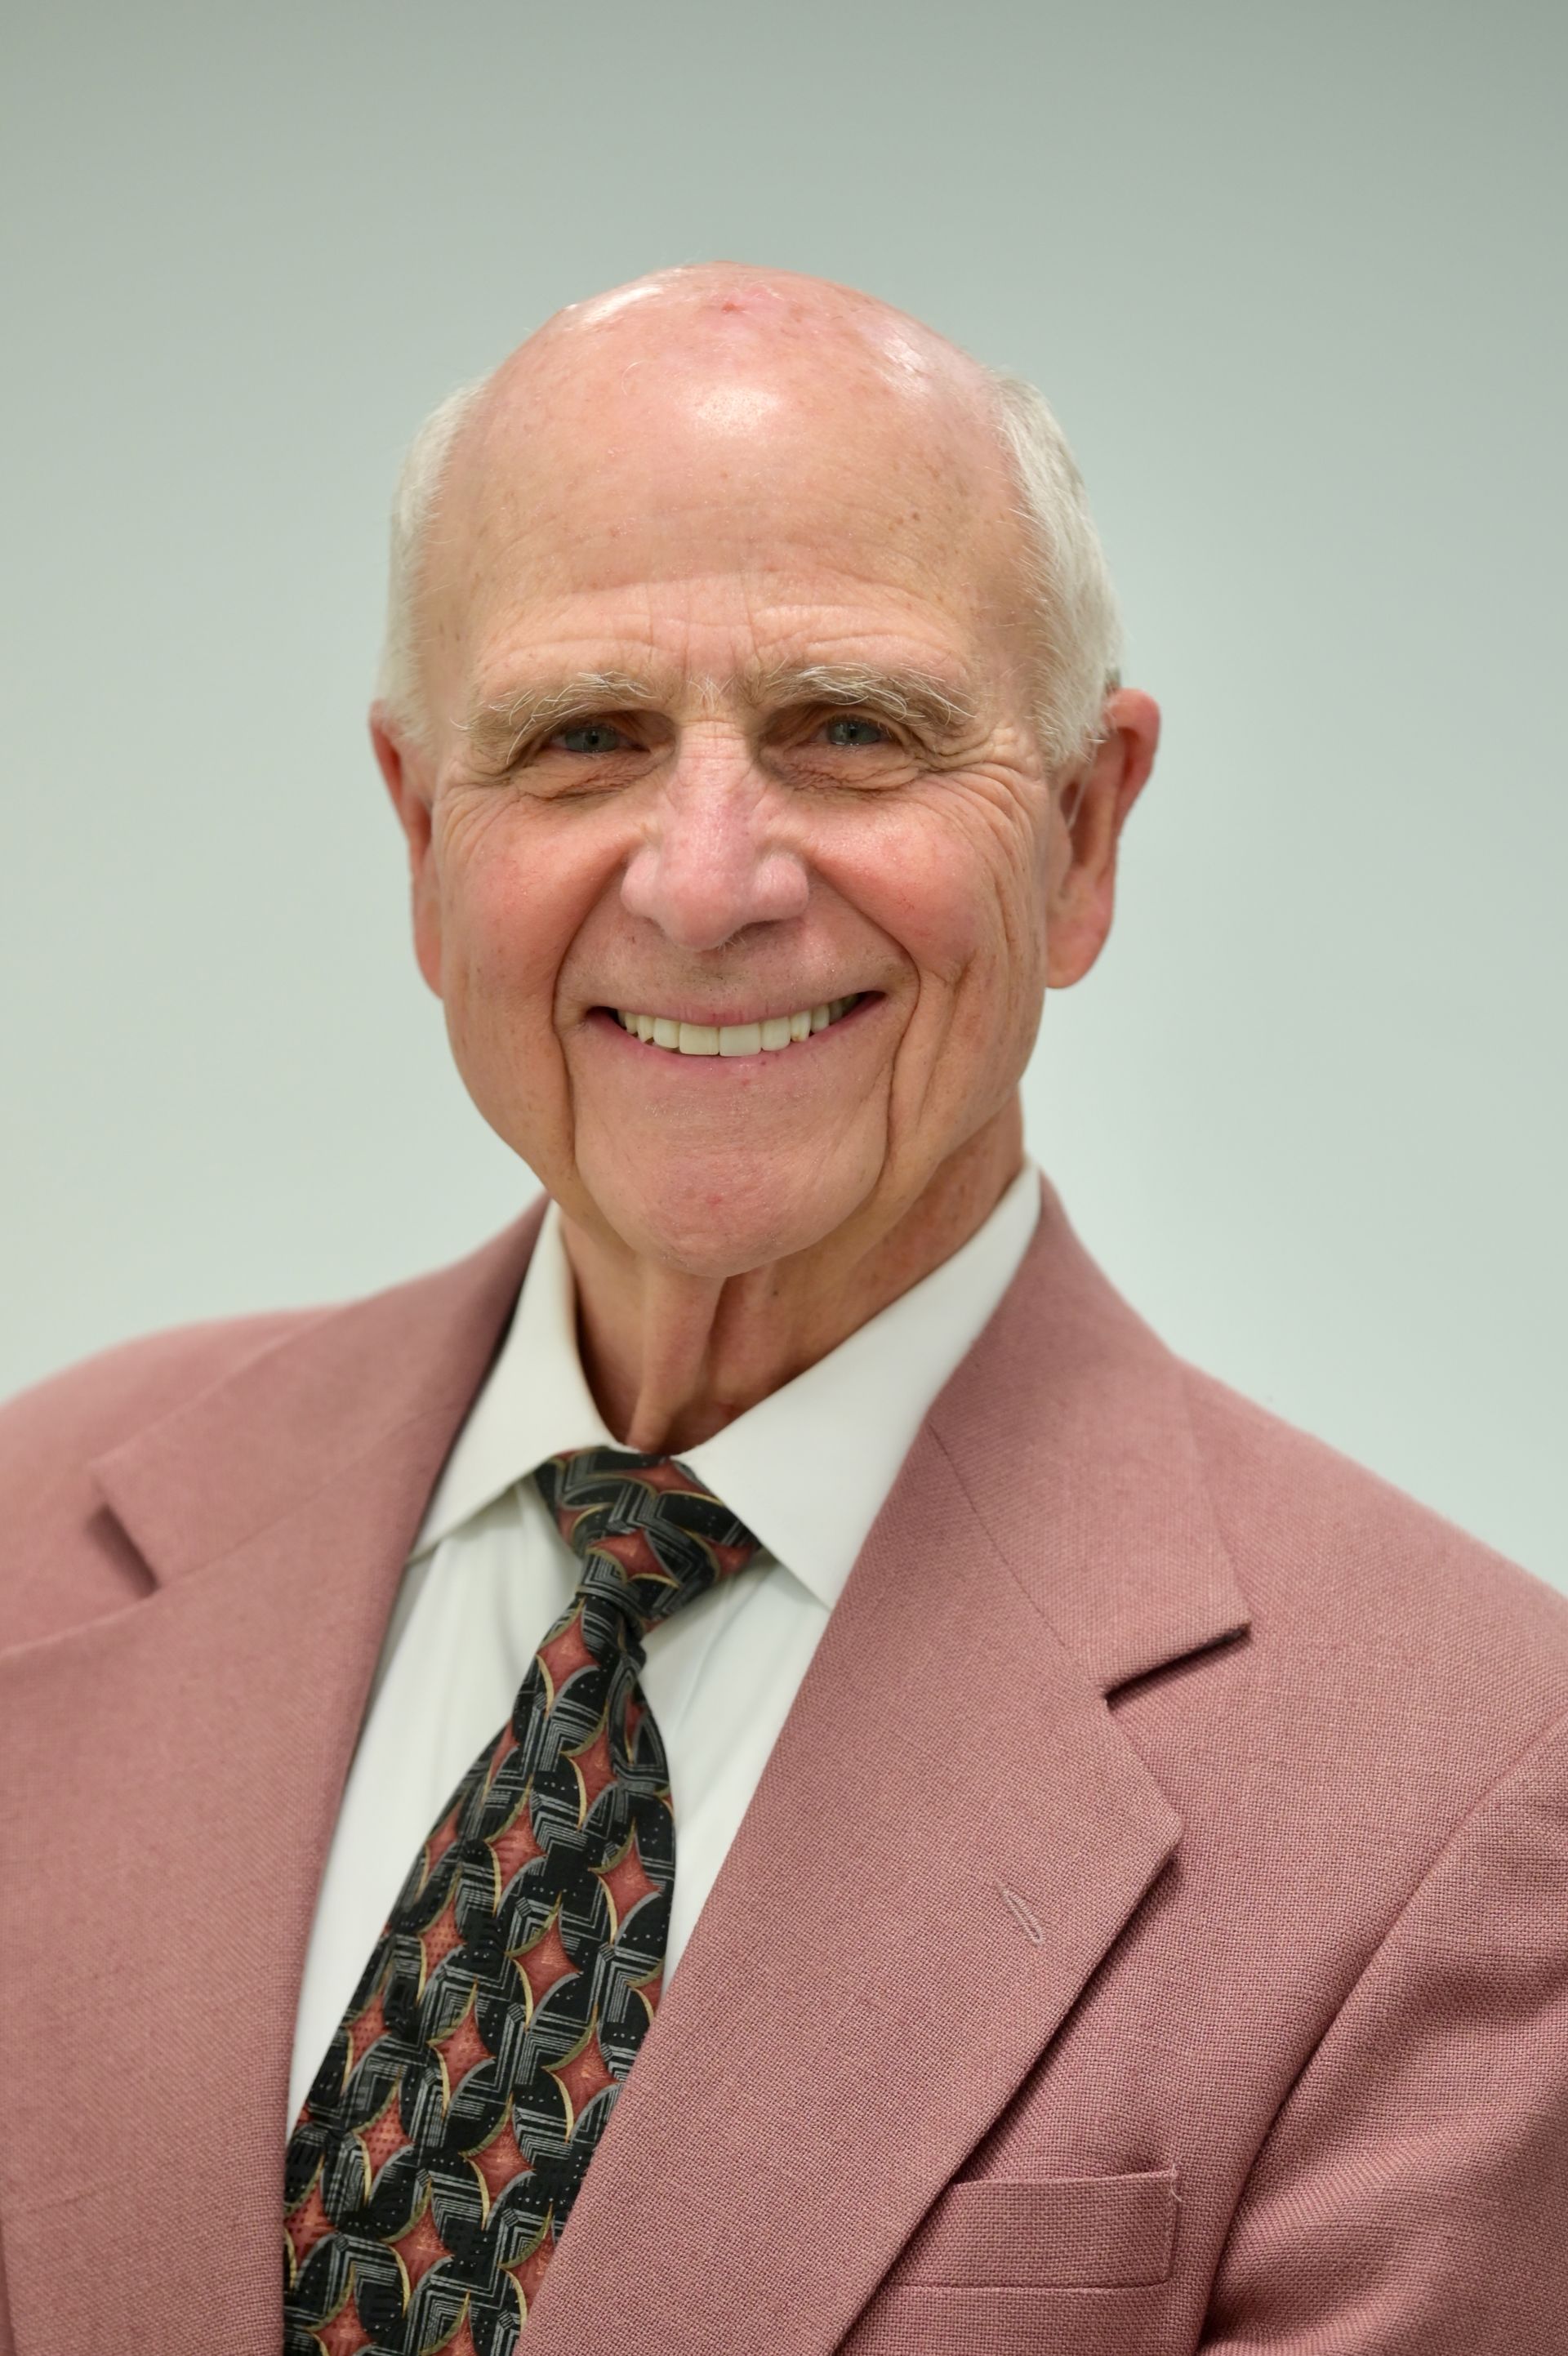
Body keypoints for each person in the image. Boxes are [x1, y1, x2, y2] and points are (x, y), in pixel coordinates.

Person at [1, 263, 1564, 2356]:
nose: (707, 878)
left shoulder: (1465, 1789)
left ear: (1087, 834)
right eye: (583, 740)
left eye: (853, 730)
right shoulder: (39, 1532)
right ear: (420, 835)